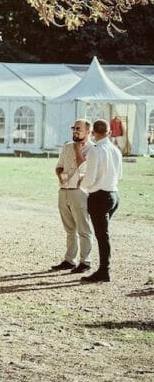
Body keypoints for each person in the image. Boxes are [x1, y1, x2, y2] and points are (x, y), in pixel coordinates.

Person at [80, 119, 123, 284]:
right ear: (110, 132)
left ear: (92, 133)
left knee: (102, 235)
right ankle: (104, 268)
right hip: (114, 195)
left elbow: (90, 178)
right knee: (102, 234)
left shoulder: (95, 151)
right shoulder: (115, 150)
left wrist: (82, 184)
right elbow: (119, 175)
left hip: (99, 196)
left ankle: (104, 270)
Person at [51, 119, 95, 273]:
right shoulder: (67, 147)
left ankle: (85, 261)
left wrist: (77, 148)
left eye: (79, 129)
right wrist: (60, 177)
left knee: (83, 229)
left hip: (79, 192)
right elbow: (59, 166)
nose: (75, 131)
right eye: (74, 128)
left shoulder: (92, 149)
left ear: (88, 132)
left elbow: (83, 165)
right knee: (69, 229)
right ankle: (70, 259)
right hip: (64, 191)